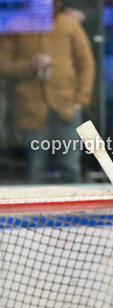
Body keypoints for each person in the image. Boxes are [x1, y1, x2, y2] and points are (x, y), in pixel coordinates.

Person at [0, 0, 95, 183]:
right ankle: (32, 211)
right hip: (31, 107)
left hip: (67, 106)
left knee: (70, 167)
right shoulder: (16, 25)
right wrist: (29, 65)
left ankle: (74, 210)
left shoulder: (68, 24)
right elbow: (3, 66)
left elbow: (86, 63)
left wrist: (80, 100)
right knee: (35, 167)